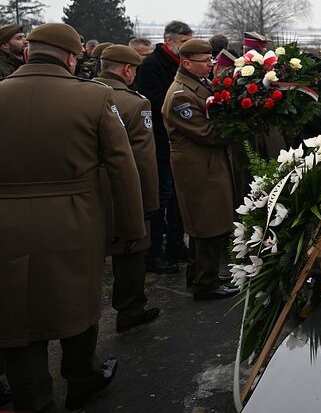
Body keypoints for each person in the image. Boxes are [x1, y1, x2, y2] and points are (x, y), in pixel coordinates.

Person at [0, 23, 144, 412]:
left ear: (27, 52)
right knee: (77, 302)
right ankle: (81, 378)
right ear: (73, 57)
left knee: (15, 318)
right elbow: (122, 166)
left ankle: (34, 399)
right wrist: (131, 228)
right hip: (74, 220)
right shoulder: (94, 97)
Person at [162, 39, 238, 301]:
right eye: (206, 61)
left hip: (207, 164)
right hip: (198, 168)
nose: (211, 64)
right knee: (206, 224)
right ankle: (205, 283)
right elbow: (206, 132)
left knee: (207, 221)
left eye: (211, 59)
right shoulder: (181, 95)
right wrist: (237, 123)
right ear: (187, 63)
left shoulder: (196, 86)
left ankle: (202, 275)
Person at [98, 45, 162, 333]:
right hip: (125, 188)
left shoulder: (84, 92)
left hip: (88, 191)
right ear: (127, 70)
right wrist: (149, 202)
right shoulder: (135, 102)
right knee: (132, 249)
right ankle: (130, 308)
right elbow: (143, 159)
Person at [134, 20, 194, 274]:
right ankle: (155, 252)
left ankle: (175, 245)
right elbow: (154, 102)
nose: (186, 48)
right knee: (162, 197)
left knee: (178, 199)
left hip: (178, 143)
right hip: (160, 142)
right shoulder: (152, 66)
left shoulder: (182, 64)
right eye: (183, 43)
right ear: (168, 40)